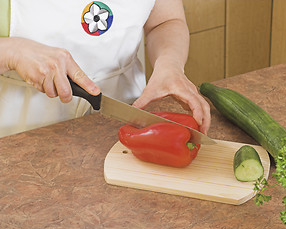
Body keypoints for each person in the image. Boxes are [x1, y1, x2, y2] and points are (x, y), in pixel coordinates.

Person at [0, 0, 211, 138]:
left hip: (124, 126)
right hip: (22, 134)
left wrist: (169, 64)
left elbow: (165, 20)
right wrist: (12, 51)